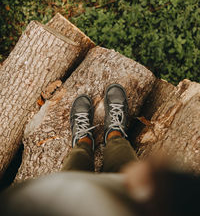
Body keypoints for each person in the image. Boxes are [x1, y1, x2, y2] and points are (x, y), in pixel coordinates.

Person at [0, 84, 199, 216]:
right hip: (130, 196)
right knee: (122, 162)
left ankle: (84, 140)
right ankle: (114, 133)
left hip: (61, 197)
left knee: (75, 168)